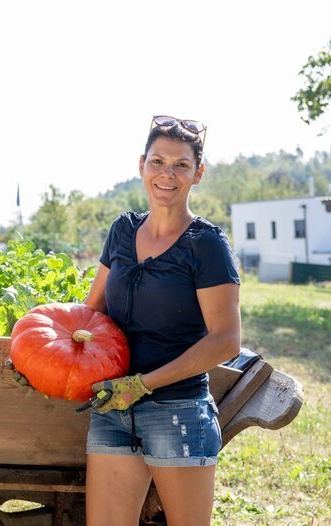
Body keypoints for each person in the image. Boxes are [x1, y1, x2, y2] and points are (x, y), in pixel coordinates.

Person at [81, 115, 241, 525]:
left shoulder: (205, 244)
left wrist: (142, 384)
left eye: (181, 165)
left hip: (178, 411)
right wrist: (45, 356)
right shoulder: (121, 230)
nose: (167, 174)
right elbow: (91, 313)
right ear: (141, 165)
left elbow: (225, 340)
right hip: (113, 411)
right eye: (157, 161)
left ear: (198, 174)